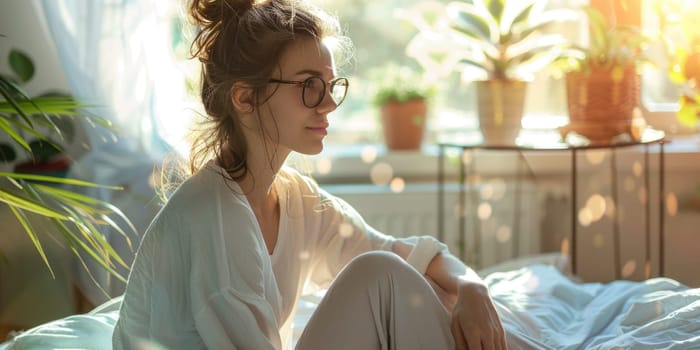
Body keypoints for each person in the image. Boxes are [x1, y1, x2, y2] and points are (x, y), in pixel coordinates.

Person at [112, 0, 507, 349]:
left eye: (331, 85)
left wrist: (473, 286)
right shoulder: (215, 217)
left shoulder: (293, 198)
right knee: (381, 276)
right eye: (310, 86)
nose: (330, 104)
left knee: (414, 282)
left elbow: (402, 253)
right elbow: (386, 269)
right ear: (245, 97)